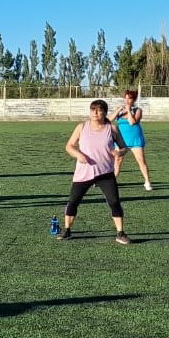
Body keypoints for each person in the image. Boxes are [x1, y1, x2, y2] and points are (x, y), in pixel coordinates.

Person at [58, 99, 130, 244]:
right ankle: (67, 230)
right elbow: (69, 146)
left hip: (105, 173)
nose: (95, 113)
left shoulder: (112, 129)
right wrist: (78, 154)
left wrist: (119, 153)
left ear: (105, 112)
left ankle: (120, 233)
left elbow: (124, 147)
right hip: (83, 173)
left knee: (114, 202)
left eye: (99, 110)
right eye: (93, 110)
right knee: (73, 201)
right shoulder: (82, 127)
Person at [113, 89, 153, 191]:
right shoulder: (120, 111)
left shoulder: (138, 110)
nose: (127, 100)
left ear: (134, 100)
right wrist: (117, 111)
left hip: (135, 140)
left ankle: (147, 182)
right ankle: (112, 181)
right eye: (125, 98)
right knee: (117, 160)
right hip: (121, 141)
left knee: (141, 160)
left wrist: (129, 110)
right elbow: (108, 121)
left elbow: (132, 122)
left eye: (129, 98)